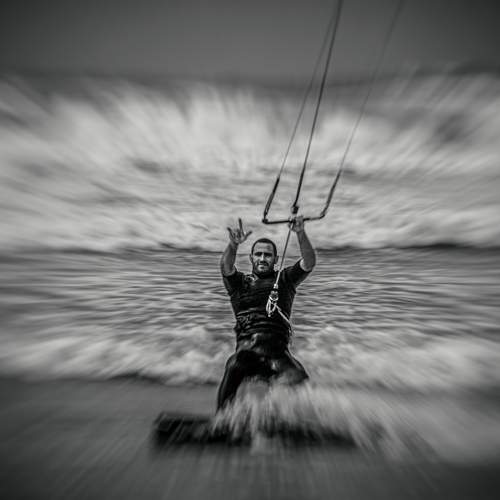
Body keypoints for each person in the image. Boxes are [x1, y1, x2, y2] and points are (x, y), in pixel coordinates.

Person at [217, 216, 316, 411]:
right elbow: (226, 267)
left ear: (275, 259)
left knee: (298, 378)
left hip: (278, 354)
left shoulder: (285, 279)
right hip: (247, 353)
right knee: (234, 365)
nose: (262, 258)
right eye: (258, 254)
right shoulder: (239, 284)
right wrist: (233, 245)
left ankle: (285, 417)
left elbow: (309, 262)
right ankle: (223, 418)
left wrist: (300, 233)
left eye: (268, 255)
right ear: (251, 258)